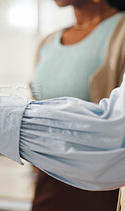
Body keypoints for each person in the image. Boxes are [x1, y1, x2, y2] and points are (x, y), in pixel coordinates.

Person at [30, 0, 125, 209]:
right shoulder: (47, 43)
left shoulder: (121, 32)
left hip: (100, 190)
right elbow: (34, 117)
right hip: (49, 185)